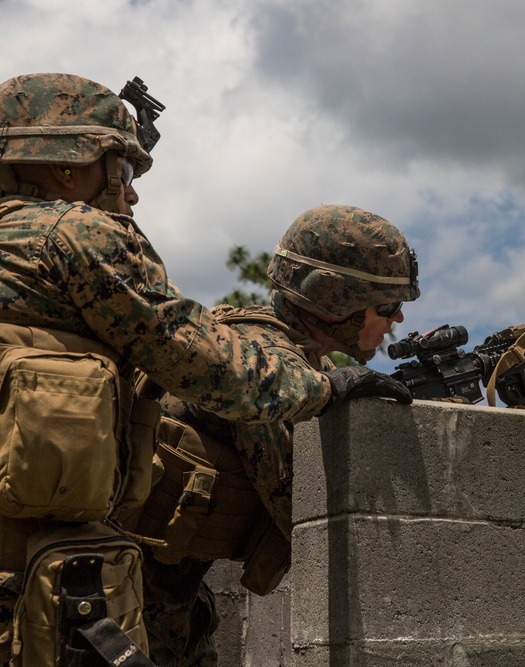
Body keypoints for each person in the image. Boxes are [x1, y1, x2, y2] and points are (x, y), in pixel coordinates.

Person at [0, 73, 412, 664]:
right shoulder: (78, 236)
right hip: (40, 572)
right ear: (67, 167)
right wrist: (324, 388)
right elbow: (204, 361)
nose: (132, 194)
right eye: (121, 170)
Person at [132, 204, 419, 666]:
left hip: (167, 598)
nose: (397, 321)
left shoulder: (298, 366)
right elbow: (301, 512)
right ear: (335, 300)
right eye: (387, 306)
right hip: (127, 600)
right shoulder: (261, 366)